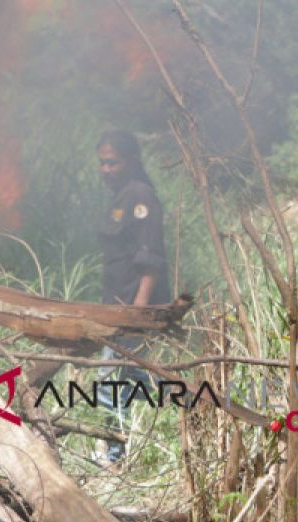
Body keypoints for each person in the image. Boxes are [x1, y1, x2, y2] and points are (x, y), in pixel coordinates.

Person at [94, 130, 171, 464]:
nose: (106, 169)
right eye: (102, 163)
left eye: (113, 162)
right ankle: (178, 409)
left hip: (132, 310)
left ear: (131, 161)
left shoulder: (140, 197)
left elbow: (150, 257)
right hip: (117, 308)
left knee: (108, 380)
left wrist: (138, 310)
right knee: (134, 378)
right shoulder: (122, 196)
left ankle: (113, 457)